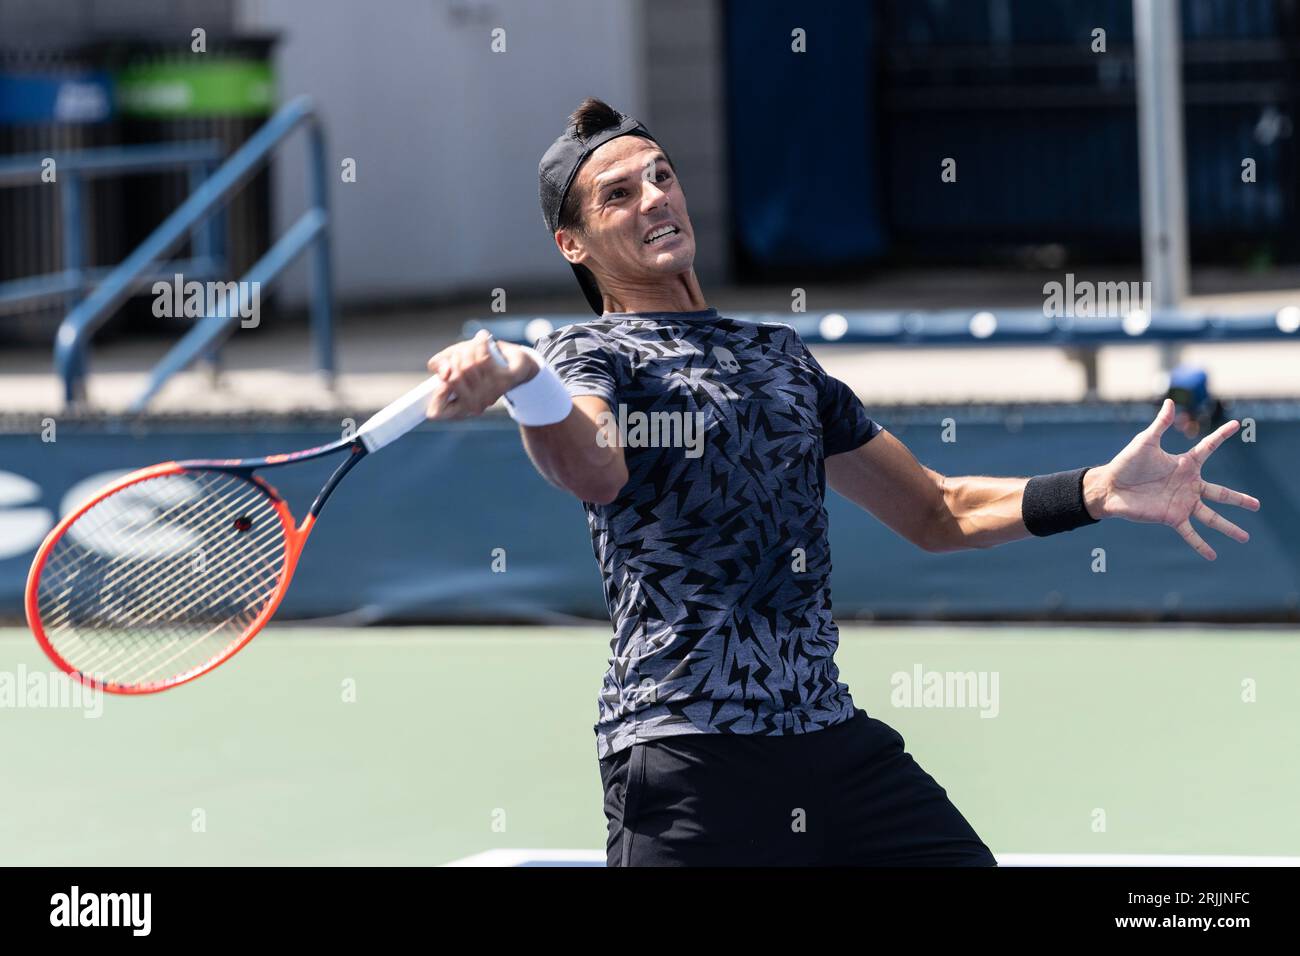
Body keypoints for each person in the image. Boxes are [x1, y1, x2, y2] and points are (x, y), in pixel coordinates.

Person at [422, 98, 1261, 866]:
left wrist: (1093, 492)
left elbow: (935, 510)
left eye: (662, 176)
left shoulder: (779, 355)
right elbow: (594, 467)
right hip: (688, 759)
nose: (655, 198)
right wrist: (526, 379)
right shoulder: (589, 356)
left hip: (832, 747)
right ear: (572, 245)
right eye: (618, 195)